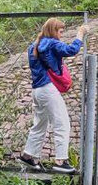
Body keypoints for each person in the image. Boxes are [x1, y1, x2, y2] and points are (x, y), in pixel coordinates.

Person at [18, 18, 85, 175]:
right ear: (53, 31)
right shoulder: (52, 43)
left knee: (40, 124)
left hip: (37, 90)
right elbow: (71, 50)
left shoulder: (32, 46)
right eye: (60, 32)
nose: (61, 35)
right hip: (48, 89)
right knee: (62, 123)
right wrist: (80, 34)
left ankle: (28, 156)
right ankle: (61, 161)